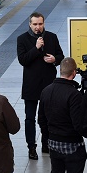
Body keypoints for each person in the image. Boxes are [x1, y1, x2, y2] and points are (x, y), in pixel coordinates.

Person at [38, 57, 87, 173]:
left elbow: (41, 120)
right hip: (72, 146)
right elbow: (78, 124)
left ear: (61, 71)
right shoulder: (74, 95)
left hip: (53, 144)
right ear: (74, 73)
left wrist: (48, 137)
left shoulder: (46, 90)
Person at [16, 12, 64, 160]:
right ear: (30, 24)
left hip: (49, 84)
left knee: (48, 116)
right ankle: (31, 147)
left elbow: (61, 56)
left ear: (44, 23)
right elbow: (23, 60)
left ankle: (46, 144)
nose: (38, 27)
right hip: (31, 85)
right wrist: (36, 48)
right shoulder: (22, 39)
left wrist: (55, 59)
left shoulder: (52, 37)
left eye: (40, 24)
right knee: (30, 117)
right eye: (35, 24)